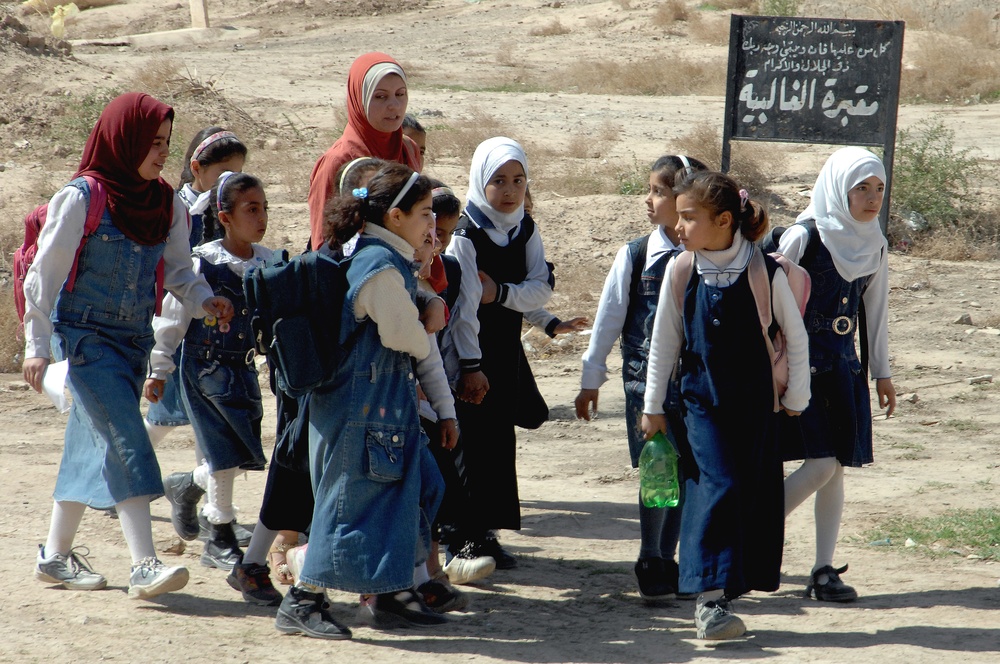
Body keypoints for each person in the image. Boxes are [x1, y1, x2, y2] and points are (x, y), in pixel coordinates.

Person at [22, 92, 234, 600]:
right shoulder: (81, 197)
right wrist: (37, 345)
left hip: (133, 343)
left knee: (88, 449)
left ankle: (54, 556)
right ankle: (145, 564)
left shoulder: (165, 204)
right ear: (125, 140)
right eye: (152, 142)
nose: (163, 153)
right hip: (88, 340)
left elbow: (181, 271)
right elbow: (42, 277)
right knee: (126, 438)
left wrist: (206, 300)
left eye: (166, 142)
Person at [273, 163, 446, 638]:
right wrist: (427, 322)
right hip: (359, 413)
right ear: (395, 216)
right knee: (345, 505)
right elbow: (402, 334)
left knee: (417, 489)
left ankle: (391, 591)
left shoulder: (386, 260)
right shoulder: (378, 266)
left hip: (380, 411)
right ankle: (303, 600)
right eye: (425, 213)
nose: (432, 224)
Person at [641, 171, 810, 640]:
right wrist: (653, 405)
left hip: (757, 408)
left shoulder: (764, 272)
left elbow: (795, 338)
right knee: (717, 485)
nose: (679, 227)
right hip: (701, 406)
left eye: (689, 218)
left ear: (724, 219)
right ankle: (709, 602)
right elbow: (664, 343)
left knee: (748, 494)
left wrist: (797, 396)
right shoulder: (681, 269)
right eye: (678, 218)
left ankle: (724, 590)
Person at [574, 155, 707, 603]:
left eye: (658, 192)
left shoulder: (710, 254)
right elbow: (609, 317)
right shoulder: (635, 255)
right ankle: (651, 557)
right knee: (657, 471)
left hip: (695, 387)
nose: (648, 201)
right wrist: (591, 377)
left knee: (688, 471)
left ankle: (673, 559)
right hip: (645, 387)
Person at [778, 147, 896, 602]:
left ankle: (823, 570)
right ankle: (744, 535)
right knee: (820, 464)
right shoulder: (802, 237)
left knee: (836, 469)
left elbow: (876, 311)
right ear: (837, 189)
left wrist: (881, 373)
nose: (872, 198)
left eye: (879, 188)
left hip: (843, 370)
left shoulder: (875, 242)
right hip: (797, 373)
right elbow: (770, 306)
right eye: (861, 189)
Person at [147, 171, 273, 574]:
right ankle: (219, 535)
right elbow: (172, 322)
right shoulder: (202, 264)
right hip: (203, 372)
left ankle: (185, 485)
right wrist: (159, 369)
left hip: (243, 370)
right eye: (250, 209)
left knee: (240, 451)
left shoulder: (270, 264)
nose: (260, 217)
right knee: (222, 452)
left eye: (264, 209)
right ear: (225, 215)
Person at [445, 137, 553, 568]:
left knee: (495, 443)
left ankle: (485, 534)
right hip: (470, 356)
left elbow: (542, 286)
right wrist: (471, 366)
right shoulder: (464, 235)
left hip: (505, 351)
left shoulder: (524, 226)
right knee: (467, 444)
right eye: (499, 181)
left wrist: (503, 293)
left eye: (518, 180)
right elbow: (467, 311)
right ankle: (459, 537)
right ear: (479, 181)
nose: (510, 191)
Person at [150, 127, 252, 547]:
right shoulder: (180, 207)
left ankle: (199, 495)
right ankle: (118, 475)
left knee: (217, 431)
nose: (232, 179)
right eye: (225, 171)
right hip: (184, 328)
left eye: (239, 172)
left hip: (222, 331)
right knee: (166, 416)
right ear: (197, 169)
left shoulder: (228, 207)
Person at [306, 52, 422, 251]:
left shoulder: (409, 149)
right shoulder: (339, 160)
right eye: (380, 96)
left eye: (400, 94)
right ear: (359, 100)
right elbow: (323, 239)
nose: (394, 105)